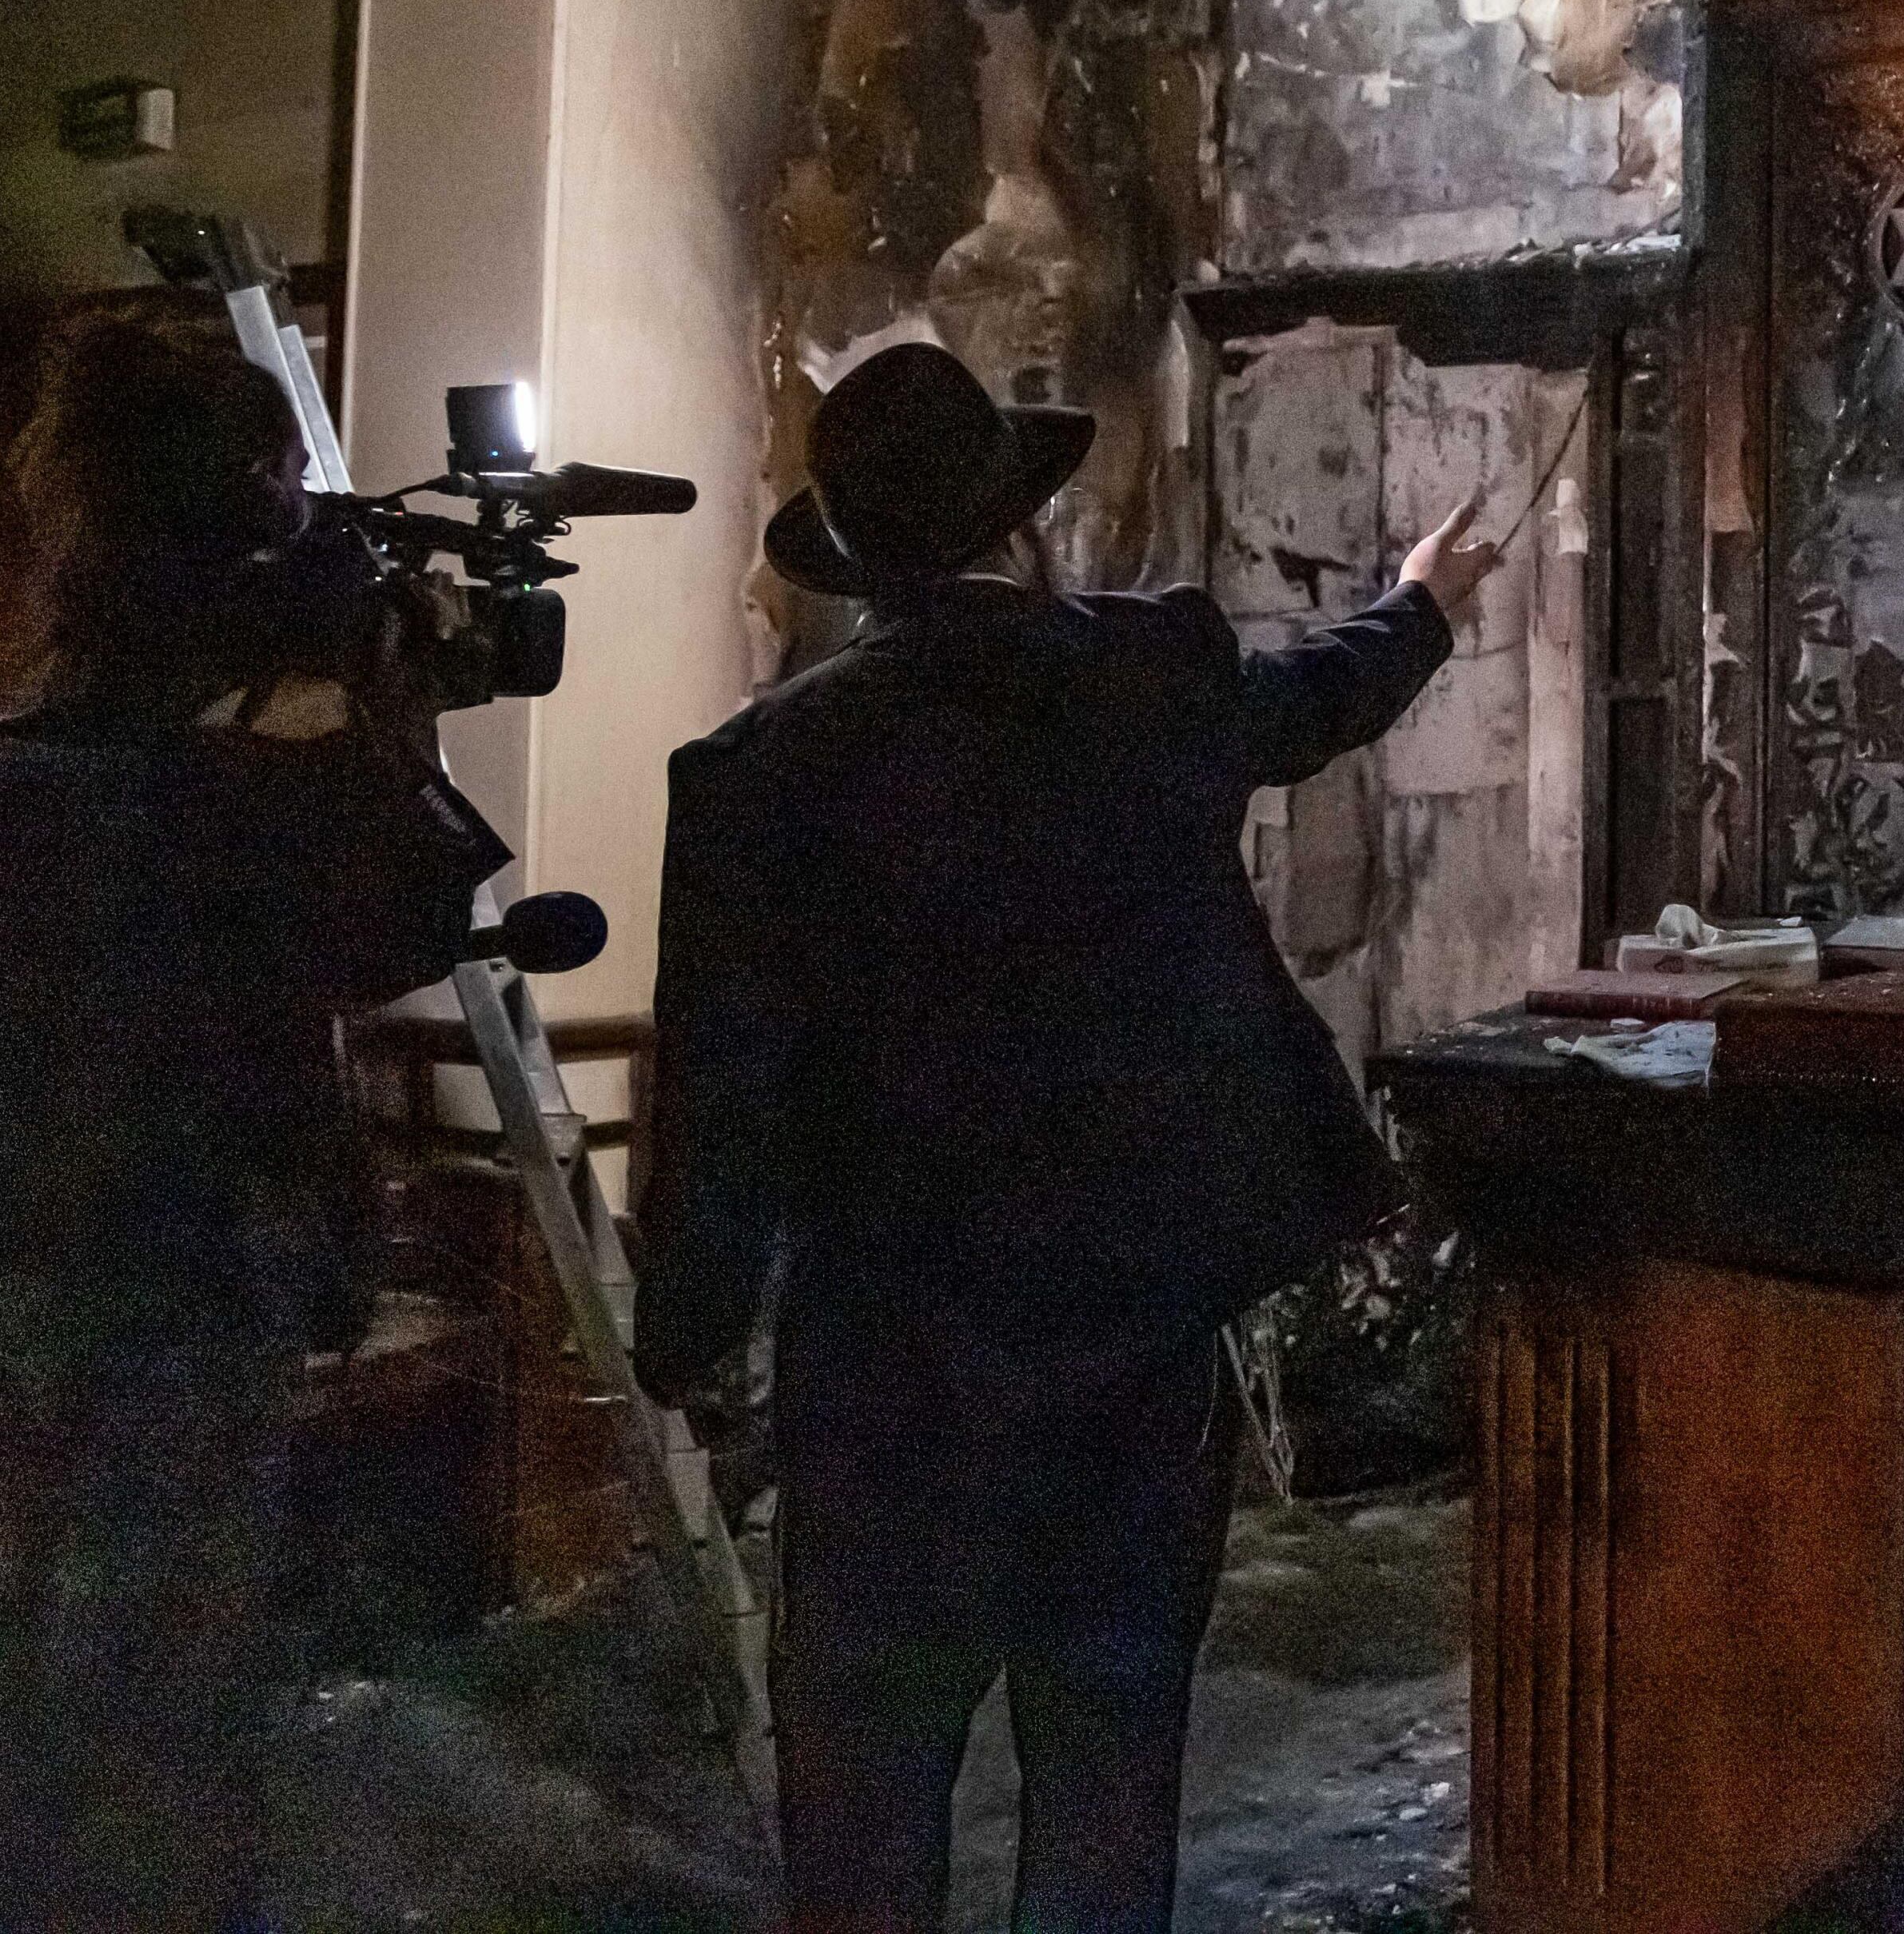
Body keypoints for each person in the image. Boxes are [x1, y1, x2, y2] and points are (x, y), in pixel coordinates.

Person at [635, 340, 1504, 1933]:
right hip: (1126, 1358)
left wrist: (683, 1333)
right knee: (1106, 1794)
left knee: (865, 1809)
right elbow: (1316, 694)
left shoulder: (759, 773)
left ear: (863, 563)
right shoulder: (1147, 673)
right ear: (1019, 523)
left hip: (887, 1373)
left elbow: (720, 1093)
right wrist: (1425, 595)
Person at [0, 314, 496, 1931]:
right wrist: (352, 703)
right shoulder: (205, 772)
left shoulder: (54, 755)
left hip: (20, 1263)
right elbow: (399, 906)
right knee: (141, 1724)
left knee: (27, 1701)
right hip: (172, 1258)